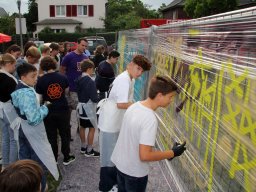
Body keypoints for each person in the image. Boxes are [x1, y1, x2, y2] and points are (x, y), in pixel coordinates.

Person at [111, 76, 187, 192]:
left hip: (121, 166)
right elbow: (145, 155)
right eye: (170, 97)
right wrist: (172, 153)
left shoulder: (135, 106)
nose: (171, 101)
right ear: (160, 95)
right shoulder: (149, 119)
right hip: (134, 173)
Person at [98, 55, 151, 192]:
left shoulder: (129, 78)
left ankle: (112, 184)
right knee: (108, 158)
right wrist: (139, 106)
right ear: (130, 64)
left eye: (142, 71)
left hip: (115, 121)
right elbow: (121, 104)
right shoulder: (124, 80)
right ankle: (106, 187)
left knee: (114, 155)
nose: (139, 73)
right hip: (110, 123)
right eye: (138, 68)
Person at [11, 63, 59, 192]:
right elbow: (33, 119)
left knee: (25, 159)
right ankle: (40, 186)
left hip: (21, 127)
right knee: (38, 159)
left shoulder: (19, 87)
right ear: (23, 77)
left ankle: (26, 185)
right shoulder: (27, 93)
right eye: (33, 76)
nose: (36, 79)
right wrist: (45, 107)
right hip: (31, 130)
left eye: (36, 76)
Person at [36, 56, 76, 165]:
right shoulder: (63, 77)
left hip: (48, 110)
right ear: (54, 64)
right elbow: (66, 93)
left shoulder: (40, 80)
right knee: (65, 134)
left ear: (43, 66)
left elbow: (39, 98)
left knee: (51, 135)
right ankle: (66, 156)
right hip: (63, 109)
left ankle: (53, 158)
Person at [60, 38, 89, 141]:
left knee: (79, 110)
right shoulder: (69, 56)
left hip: (81, 89)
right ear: (78, 44)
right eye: (82, 45)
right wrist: (63, 84)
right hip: (70, 87)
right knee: (69, 110)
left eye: (86, 46)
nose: (84, 47)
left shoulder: (86, 57)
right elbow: (62, 69)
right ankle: (67, 131)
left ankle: (79, 129)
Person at [76, 60, 100, 157]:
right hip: (88, 108)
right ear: (89, 69)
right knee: (92, 128)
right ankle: (89, 150)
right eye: (92, 69)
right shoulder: (90, 81)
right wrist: (100, 97)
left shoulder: (79, 78)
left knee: (82, 127)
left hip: (80, 107)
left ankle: (83, 147)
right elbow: (94, 99)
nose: (93, 71)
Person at [0, 53, 18, 171]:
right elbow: (15, 98)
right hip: (8, 109)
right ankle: (12, 167)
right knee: (14, 138)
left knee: (5, 137)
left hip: (0, 109)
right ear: (8, 64)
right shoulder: (10, 79)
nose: (15, 67)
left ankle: (5, 164)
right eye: (14, 65)